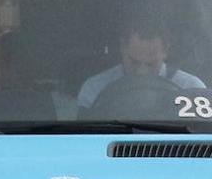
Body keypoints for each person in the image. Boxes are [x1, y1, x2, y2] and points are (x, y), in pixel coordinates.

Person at [77, 16, 206, 109]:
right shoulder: (95, 89)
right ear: (122, 47)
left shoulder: (192, 91)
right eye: (134, 62)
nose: (141, 71)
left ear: (166, 50)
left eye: (151, 64)